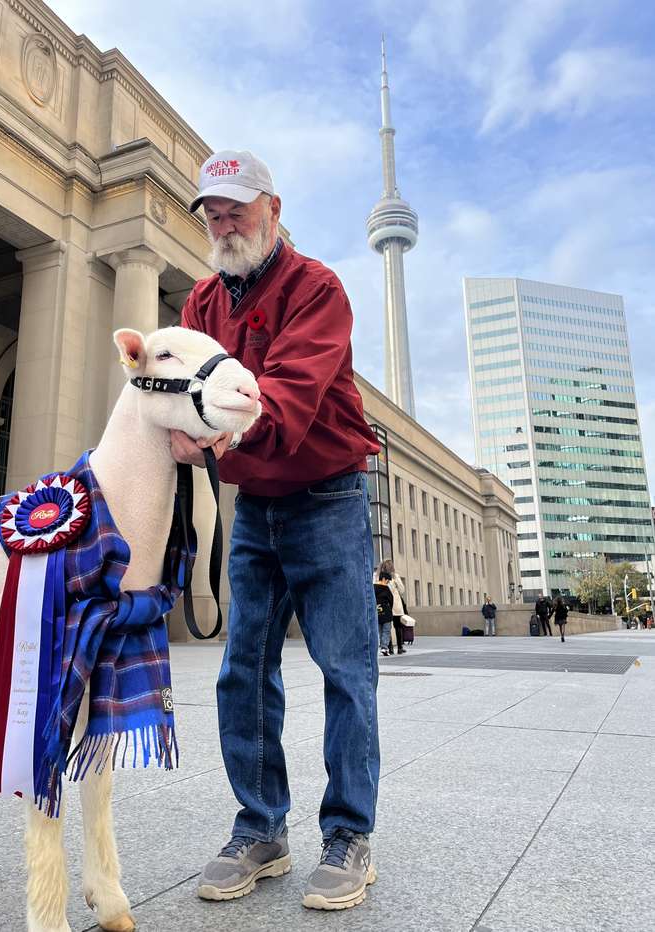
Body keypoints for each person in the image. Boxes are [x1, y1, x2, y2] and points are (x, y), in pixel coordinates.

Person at [173, 150, 380, 911]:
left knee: (345, 670)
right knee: (242, 671)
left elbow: (289, 390)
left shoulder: (316, 287)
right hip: (255, 507)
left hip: (327, 498)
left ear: (273, 207)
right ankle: (261, 828)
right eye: (213, 212)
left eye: (236, 208)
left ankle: (350, 834)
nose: (224, 224)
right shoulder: (201, 302)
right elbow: (183, 382)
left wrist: (214, 439)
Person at [380, 559, 407, 655]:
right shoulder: (395, 576)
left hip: (386, 604)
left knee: (388, 627)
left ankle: (390, 648)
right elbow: (402, 590)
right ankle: (399, 647)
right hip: (395, 605)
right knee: (397, 626)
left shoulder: (381, 577)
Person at [374, 572, 394, 657]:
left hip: (377, 613)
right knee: (386, 631)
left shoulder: (373, 587)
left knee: (380, 631)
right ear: (383, 579)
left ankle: (382, 646)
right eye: (387, 581)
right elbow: (391, 600)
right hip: (386, 613)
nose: (388, 582)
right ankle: (384, 647)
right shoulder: (386, 589)